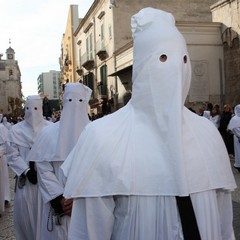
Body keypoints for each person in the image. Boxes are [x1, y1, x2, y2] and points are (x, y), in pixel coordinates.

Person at [61, 8, 236, 240]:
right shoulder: (102, 136)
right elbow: (89, 231)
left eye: (183, 59)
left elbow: (224, 223)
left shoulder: (207, 133)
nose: (175, 69)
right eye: (163, 58)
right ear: (143, 67)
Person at [26, 83, 92, 239]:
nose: (74, 106)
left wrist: (80, 198)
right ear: (63, 102)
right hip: (57, 207)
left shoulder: (96, 132)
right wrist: (60, 198)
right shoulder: (48, 134)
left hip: (87, 204)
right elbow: (43, 169)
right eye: (70, 100)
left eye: (79, 101)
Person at [6, 95, 52, 240]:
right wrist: (26, 170)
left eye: (36, 108)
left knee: (44, 217)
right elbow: (13, 155)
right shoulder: (16, 130)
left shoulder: (50, 128)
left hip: (46, 181)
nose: (32, 112)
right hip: (26, 183)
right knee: (25, 218)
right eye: (28, 108)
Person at [0, 114, 10, 215]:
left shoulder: (2, 128)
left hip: (1, 157)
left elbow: (6, 143)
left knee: (2, 179)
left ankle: (4, 197)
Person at [228, 104, 240, 172]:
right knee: (238, 151)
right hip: (237, 137)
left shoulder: (234, 118)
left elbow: (232, 128)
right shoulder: (234, 118)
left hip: (237, 137)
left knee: (238, 152)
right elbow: (233, 128)